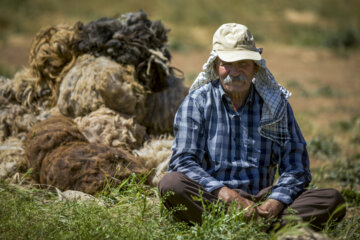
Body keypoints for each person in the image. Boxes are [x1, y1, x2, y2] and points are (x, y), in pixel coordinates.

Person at [158, 23, 346, 230]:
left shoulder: (274, 104)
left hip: (263, 200)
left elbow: (296, 167)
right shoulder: (197, 102)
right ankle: (266, 228)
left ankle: (252, 224)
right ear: (215, 66)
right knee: (171, 184)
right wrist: (225, 194)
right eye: (226, 63)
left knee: (331, 199)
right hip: (214, 199)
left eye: (243, 64)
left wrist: (276, 202)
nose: (234, 71)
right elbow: (183, 161)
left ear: (255, 68)